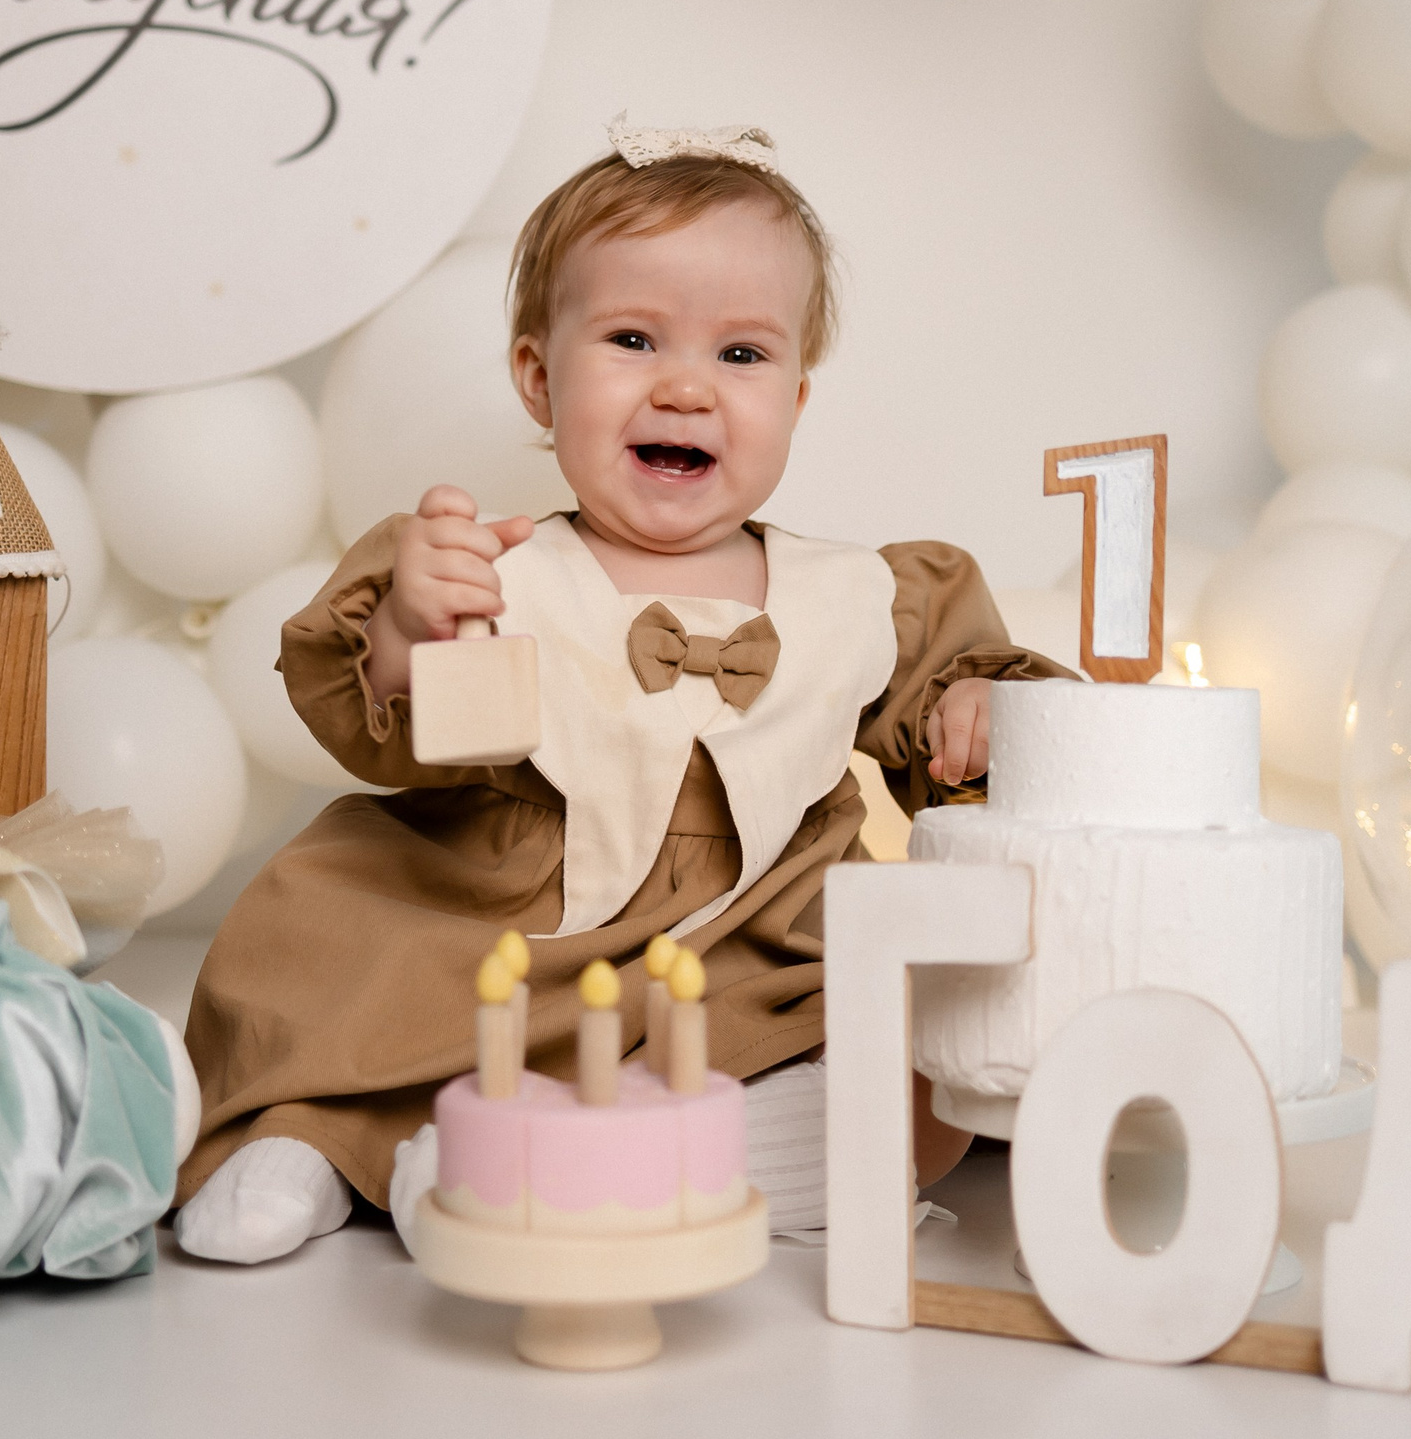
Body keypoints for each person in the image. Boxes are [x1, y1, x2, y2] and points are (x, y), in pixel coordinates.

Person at [175, 121, 1063, 1265]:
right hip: (504, 921)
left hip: (753, 950)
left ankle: (583, 1158)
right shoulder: (491, 568)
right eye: (634, 340)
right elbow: (380, 729)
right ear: (540, 380)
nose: (686, 387)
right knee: (335, 958)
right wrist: (405, 627)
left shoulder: (863, 595)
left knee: (901, 1054)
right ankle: (308, 1135)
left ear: (797, 398)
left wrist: (976, 710)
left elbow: (958, 699)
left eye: (741, 355)